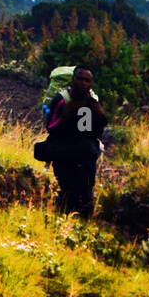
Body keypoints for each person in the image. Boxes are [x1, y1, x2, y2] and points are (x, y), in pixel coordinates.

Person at [45, 66, 107, 217]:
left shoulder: (93, 102)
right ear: (73, 80)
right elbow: (51, 126)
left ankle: (83, 224)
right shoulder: (61, 100)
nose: (83, 83)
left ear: (91, 83)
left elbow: (99, 128)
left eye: (87, 80)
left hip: (86, 156)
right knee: (67, 190)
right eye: (80, 79)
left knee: (86, 191)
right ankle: (63, 222)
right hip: (64, 153)